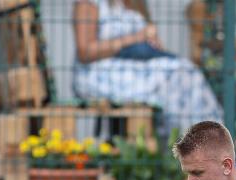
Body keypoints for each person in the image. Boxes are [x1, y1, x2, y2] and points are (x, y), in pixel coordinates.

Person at [72, 0, 222, 135]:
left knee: (185, 70)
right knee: (177, 75)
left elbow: (151, 40)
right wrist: (134, 38)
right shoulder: (90, 3)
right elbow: (85, 52)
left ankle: (208, 140)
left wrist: (153, 44)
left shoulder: (137, 3)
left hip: (139, 67)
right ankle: (195, 143)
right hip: (99, 72)